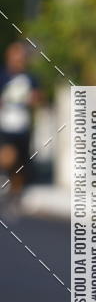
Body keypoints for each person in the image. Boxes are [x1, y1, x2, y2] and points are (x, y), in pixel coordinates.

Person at [0, 41, 41, 206]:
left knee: (20, 165)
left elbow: (39, 98)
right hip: (5, 125)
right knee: (8, 155)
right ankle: (4, 177)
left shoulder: (31, 78)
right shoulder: (2, 76)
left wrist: (31, 99)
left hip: (23, 127)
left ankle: (15, 194)